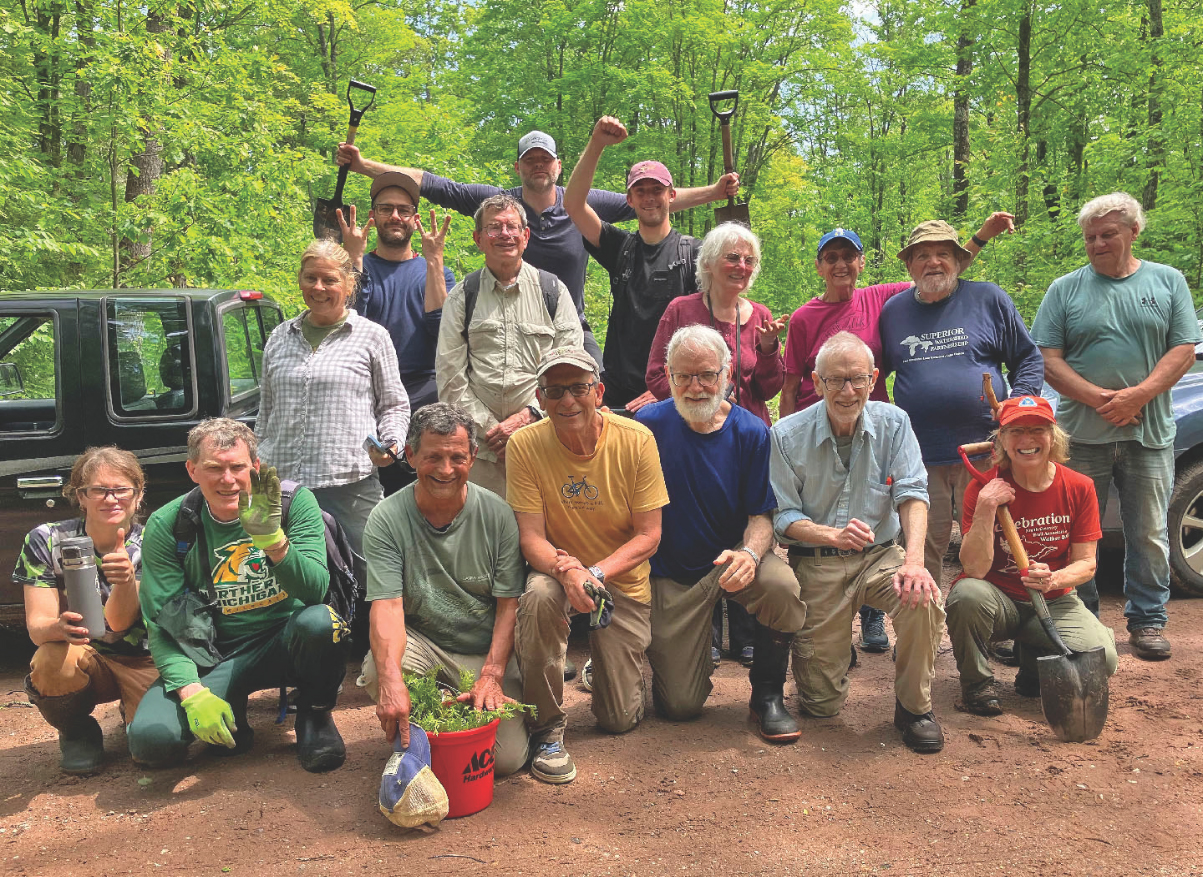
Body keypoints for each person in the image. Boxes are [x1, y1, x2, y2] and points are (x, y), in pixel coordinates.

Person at [780, 214, 1015, 653]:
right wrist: (784, 438)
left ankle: (873, 617)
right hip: (817, 436)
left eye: (848, 257)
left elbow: (937, 272)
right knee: (826, 524)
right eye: (830, 258)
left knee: (873, 519)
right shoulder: (804, 317)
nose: (840, 266)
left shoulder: (881, 300)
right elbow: (791, 384)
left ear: (862, 263)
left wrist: (979, 237)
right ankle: (833, 622)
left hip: (876, 431)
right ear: (818, 266)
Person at [337, 131, 734, 366]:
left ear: (559, 166)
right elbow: (435, 184)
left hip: (571, 325)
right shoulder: (499, 206)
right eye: (530, 161)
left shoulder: (583, 202)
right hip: (508, 324)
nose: (538, 167)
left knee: (597, 382)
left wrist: (714, 193)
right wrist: (365, 165)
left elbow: (652, 200)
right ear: (519, 168)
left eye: (545, 160)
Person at [1031, 192, 1201, 660]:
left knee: (1148, 530)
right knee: (1075, 533)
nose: (1098, 244)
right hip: (1082, 436)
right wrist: (1100, 399)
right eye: (1090, 237)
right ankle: (1081, 620)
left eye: (1108, 234)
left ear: (1133, 232)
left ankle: (1147, 621)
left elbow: (1184, 348)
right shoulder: (1065, 289)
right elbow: (1047, 358)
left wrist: (1138, 396)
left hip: (1149, 434)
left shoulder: (1167, 282)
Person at [128, 419, 349, 773]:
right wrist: (191, 692)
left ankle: (315, 715)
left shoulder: (293, 503)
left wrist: (274, 543)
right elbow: (163, 623)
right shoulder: (170, 524)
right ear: (192, 470)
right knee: (153, 742)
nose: (227, 479)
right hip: (217, 650)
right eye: (214, 468)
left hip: (287, 639)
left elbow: (316, 590)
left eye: (237, 467)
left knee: (321, 622)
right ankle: (232, 713)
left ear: (255, 467)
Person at [769, 332, 946, 753]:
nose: (847, 391)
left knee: (922, 598)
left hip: (881, 557)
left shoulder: (895, 422)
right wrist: (830, 533)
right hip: (817, 563)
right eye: (835, 380)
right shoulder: (785, 434)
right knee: (821, 706)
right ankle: (832, 648)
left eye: (857, 379)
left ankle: (914, 707)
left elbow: (913, 492)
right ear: (816, 381)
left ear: (873, 379)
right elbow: (782, 515)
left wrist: (915, 561)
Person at [637, 326, 808, 741]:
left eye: (707, 375)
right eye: (683, 376)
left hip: (733, 558)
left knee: (781, 586)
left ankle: (767, 694)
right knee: (679, 706)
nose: (695, 387)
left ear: (727, 374)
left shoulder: (751, 433)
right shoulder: (647, 426)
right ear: (668, 375)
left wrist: (749, 555)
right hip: (672, 573)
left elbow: (762, 515)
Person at [508, 347, 669, 783]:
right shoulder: (524, 444)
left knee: (619, 719)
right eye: (555, 391)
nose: (567, 401)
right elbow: (531, 538)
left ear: (599, 392)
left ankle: (604, 665)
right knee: (539, 597)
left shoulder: (636, 439)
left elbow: (649, 535)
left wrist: (594, 573)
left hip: (618, 578)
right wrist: (569, 572)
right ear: (540, 399)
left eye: (579, 388)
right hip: (557, 572)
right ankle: (546, 728)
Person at [359, 403, 530, 775]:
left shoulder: (498, 515)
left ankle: (446, 715)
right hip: (425, 645)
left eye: (457, 457)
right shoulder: (386, 518)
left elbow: (508, 605)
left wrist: (492, 674)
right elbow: (386, 606)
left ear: (473, 456)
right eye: (433, 457)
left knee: (507, 760)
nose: (445, 469)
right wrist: (390, 683)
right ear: (410, 456)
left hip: (484, 651)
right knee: (381, 669)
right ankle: (424, 732)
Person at [880, 220, 1044, 588]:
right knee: (923, 546)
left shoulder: (988, 298)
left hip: (987, 451)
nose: (933, 262)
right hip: (921, 456)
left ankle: (996, 624)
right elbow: (876, 374)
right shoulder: (894, 311)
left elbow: (1028, 358)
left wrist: (1017, 406)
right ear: (909, 266)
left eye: (943, 254)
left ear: (958, 259)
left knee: (996, 538)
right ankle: (926, 624)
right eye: (922, 255)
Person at [948, 395, 1118, 714]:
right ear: (1001, 439)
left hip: (1053, 600)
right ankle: (977, 686)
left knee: (1104, 659)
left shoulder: (1079, 487)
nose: (1027, 439)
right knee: (966, 596)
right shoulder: (982, 489)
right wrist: (986, 507)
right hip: (998, 598)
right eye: (1016, 431)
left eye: (1038, 429)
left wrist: (1054, 578)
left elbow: (1086, 563)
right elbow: (974, 567)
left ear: (1053, 436)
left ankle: (1033, 661)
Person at [564, 117, 737, 410]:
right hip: (618, 392)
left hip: (677, 391)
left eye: (656, 190)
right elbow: (573, 204)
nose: (649, 198)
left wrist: (665, 389)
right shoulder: (618, 247)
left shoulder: (695, 254)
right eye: (640, 191)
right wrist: (596, 144)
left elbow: (722, 325)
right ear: (629, 200)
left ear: (671, 195)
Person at [255, 239, 410, 561]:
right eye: (311, 278)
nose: (319, 287)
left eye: (329, 280)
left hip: (348, 483)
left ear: (349, 283)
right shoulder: (279, 337)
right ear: (300, 279)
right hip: (282, 484)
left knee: (371, 569)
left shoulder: (371, 336)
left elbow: (394, 404)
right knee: (284, 571)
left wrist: (392, 445)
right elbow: (266, 412)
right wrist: (254, 464)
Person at [16, 447, 155, 774]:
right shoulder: (47, 540)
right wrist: (58, 628)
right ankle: (77, 731)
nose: (111, 499)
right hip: (83, 653)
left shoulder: (153, 540)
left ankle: (137, 714)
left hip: (144, 657)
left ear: (138, 496)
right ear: (80, 496)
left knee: (157, 751)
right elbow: (38, 627)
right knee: (50, 660)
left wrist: (125, 580)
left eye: (121, 489)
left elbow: (118, 623)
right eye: (98, 490)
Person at [434, 193, 583, 496]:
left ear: (526, 236)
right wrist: (494, 433)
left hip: (544, 442)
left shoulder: (552, 291)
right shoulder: (463, 296)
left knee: (545, 535)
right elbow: (450, 379)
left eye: (512, 227)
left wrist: (529, 417)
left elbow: (571, 368)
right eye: (494, 228)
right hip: (481, 454)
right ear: (478, 238)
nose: (505, 234)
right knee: (485, 535)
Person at [341, 173, 456, 495]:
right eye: (386, 208)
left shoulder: (437, 272)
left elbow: (443, 334)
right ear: (373, 216)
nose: (395, 216)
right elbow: (349, 323)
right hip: (366, 393)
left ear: (414, 219)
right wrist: (353, 258)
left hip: (422, 390)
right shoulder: (356, 268)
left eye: (403, 210)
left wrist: (434, 260)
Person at [645, 222, 786, 426]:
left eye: (749, 260)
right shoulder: (681, 311)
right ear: (707, 263)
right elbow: (657, 376)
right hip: (691, 429)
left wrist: (768, 349)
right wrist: (703, 398)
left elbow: (768, 390)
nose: (741, 266)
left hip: (748, 434)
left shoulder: (761, 316)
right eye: (732, 257)